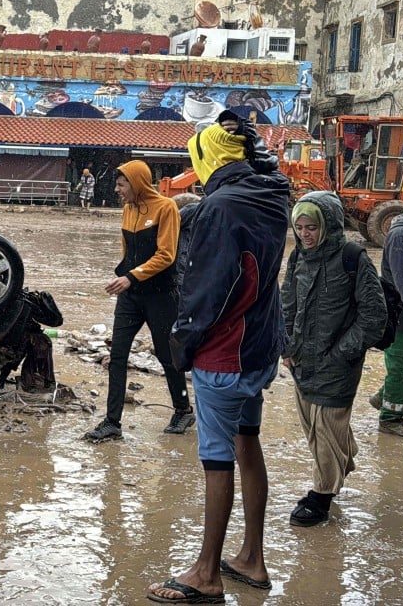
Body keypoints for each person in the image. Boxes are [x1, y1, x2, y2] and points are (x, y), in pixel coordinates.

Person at [147, 113, 289, 603]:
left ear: (206, 160)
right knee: (248, 441)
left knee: (215, 459)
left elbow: (206, 292)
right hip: (261, 346)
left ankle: (206, 572)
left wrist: (181, 348)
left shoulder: (219, 209)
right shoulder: (273, 195)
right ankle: (252, 555)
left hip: (224, 354)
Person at [282, 191, 386, 526]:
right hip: (302, 360)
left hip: (338, 363)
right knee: (313, 428)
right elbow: (287, 303)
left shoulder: (353, 257)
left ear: (328, 224)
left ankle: (320, 497)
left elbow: (374, 316)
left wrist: (342, 353)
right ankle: (344, 457)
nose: (304, 234)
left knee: (326, 429)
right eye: (299, 227)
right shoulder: (298, 257)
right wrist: (286, 347)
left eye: (311, 226)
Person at [84, 160, 194, 443]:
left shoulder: (166, 208)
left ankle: (183, 409)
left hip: (160, 295)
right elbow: (127, 251)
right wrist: (124, 275)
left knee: (166, 354)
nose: (117, 189)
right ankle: (112, 422)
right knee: (117, 355)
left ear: (137, 183)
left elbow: (167, 255)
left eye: (122, 184)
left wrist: (131, 276)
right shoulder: (127, 209)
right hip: (131, 296)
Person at [371, 184, 403, 438]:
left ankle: (385, 396)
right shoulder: (401, 235)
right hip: (399, 311)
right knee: (401, 365)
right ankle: (391, 419)